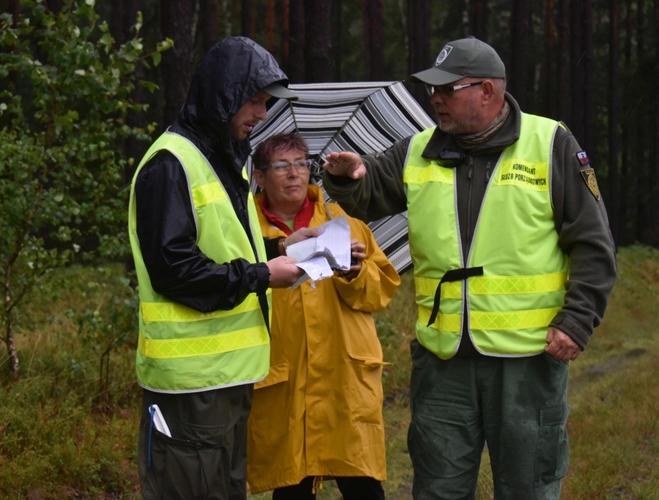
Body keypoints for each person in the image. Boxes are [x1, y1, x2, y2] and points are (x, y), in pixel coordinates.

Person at [322, 37, 617, 499]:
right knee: (438, 488)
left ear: (488, 91)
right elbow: (369, 191)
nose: (435, 98)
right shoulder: (418, 149)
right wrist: (346, 177)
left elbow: (594, 244)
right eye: (431, 90)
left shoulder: (550, 143)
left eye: (447, 88)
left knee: (528, 488)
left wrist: (578, 321)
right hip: (443, 364)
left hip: (528, 362)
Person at [127, 36, 305, 500]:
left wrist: (284, 246)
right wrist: (263, 276)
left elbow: (229, 248)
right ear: (224, 95)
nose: (262, 115)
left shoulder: (225, 161)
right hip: (189, 386)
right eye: (255, 101)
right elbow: (175, 270)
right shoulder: (170, 164)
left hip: (228, 378)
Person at [245, 133, 401, 499]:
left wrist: (355, 274)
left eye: (301, 164)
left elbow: (381, 291)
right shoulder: (244, 230)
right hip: (283, 376)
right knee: (291, 485)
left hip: (343, 377)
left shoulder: (343, 223)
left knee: (363, 484)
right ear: (260, 177)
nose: (295, 174)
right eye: (282, 166)